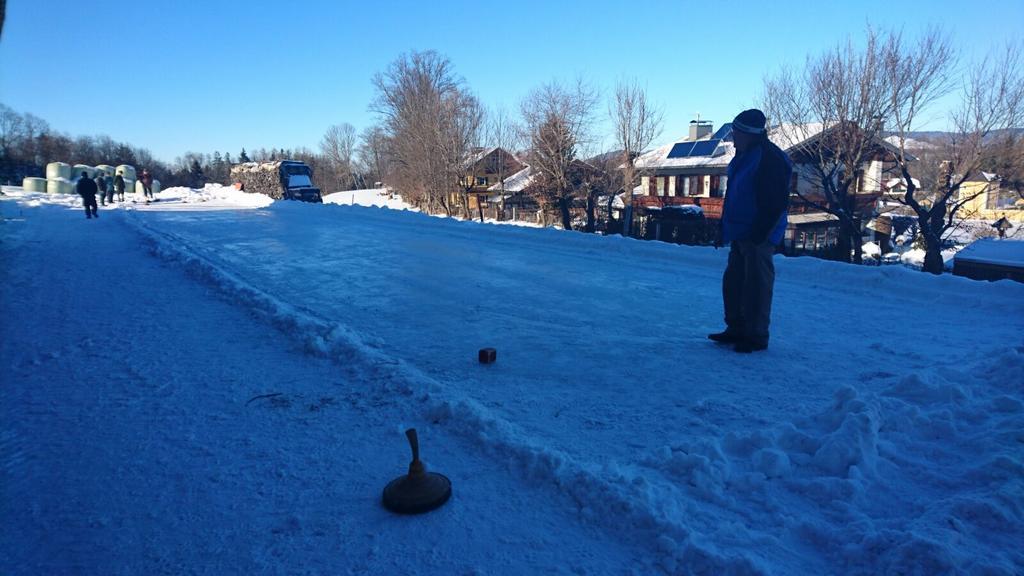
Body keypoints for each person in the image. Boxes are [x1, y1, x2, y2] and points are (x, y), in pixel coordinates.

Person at [708, 109, 792, 353]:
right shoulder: (744, 155)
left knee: (756, 284)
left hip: (758, 234)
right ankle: (736, 328)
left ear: (749, 134)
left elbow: (775, 202)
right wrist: (724, 228)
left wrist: (759, 234)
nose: (733, 137)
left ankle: (755, 335)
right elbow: (735, 195)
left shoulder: (770, 159)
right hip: (740, 232)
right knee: (734, 282)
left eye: (736, 132)